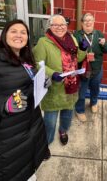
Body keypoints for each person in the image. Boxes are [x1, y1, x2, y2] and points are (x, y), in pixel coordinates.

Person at [0, 19, 49, 181]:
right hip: (5, 136)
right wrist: (4, 104)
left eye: (23, 32)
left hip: (29, 127)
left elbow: (27, 87)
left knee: (25, 168)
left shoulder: (25, 57)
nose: (19, 35)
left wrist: (41, 83)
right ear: (4, 34)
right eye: (13, 31)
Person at [33, 14, 87, 145]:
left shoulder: (72, 39)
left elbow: (78, 59)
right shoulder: (43, 42)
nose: (59, 27)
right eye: (55, 25)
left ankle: (63, 131)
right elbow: (36, 63)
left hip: (71, 87)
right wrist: (52, 73)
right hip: (54, 89)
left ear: (66, 26)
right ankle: (47, 142)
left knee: (67, 116)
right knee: (50, 121)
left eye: (62, 24)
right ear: (50, 27)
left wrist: (83, 50)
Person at [74, 13, 107, 122]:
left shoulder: (99, 33)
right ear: (82, 23)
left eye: (90, 20)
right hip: (83, 69)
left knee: (95, 88)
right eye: (86, 20)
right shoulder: (77, 35)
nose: (88, 22)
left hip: (97, 68)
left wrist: (104, 44)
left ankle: (93, 103)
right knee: (81, 91)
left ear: (94, 22)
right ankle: (79, 110)